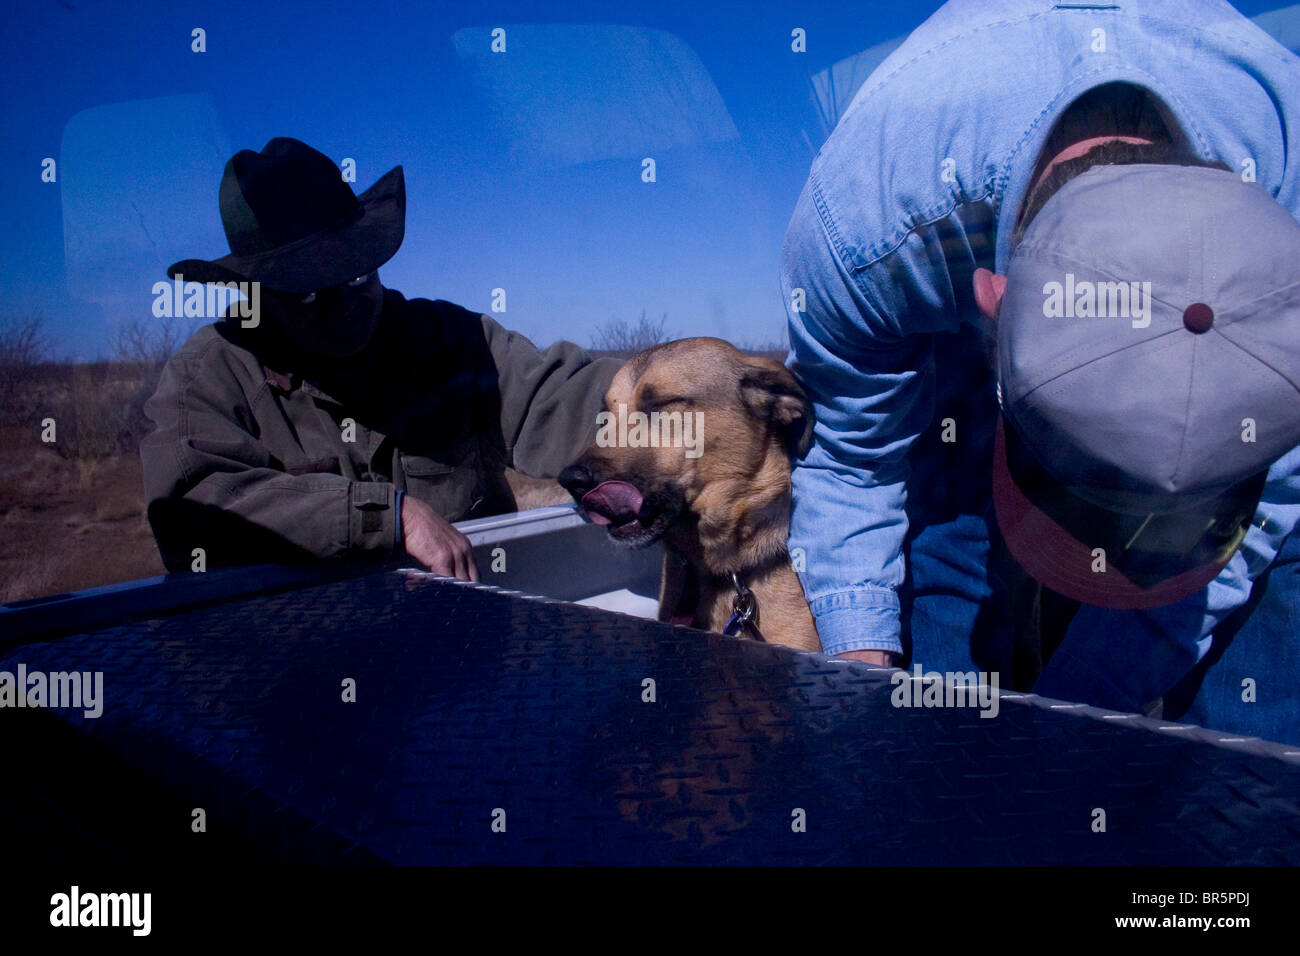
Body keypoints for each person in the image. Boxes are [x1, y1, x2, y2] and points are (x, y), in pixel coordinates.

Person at [782, 0, 1300, 744]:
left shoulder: (1289, 174)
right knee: (953, 493)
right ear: (992, 303)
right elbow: (853, 464)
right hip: (952, 267)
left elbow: (1282, 479)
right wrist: (856, 700)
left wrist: (1080, 719)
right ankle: (946, 763)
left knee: (1281, 561)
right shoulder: (866, 229)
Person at [142, 137, 616, 580]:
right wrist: (385, 516)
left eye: (357, 276)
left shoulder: (453, 340)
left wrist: (674, 407)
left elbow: (562, 400)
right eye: (308, 294)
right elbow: (191, 511)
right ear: (262, 295)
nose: (345, 305)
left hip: (470, 636)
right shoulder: (210, 377)